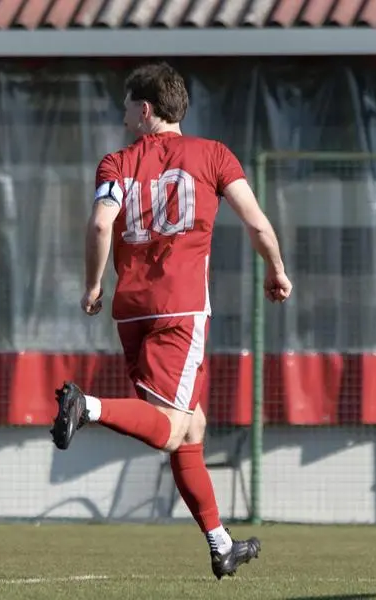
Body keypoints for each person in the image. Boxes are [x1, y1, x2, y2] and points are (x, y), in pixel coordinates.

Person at [50, 61, 291, 580]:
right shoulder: (214, 155)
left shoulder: (115, 162)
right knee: (169, 428)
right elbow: (257, 223)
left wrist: (93, 285)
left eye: (125, 104)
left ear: (144, 109)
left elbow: (99, 225)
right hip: (181, 308)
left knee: (191, 428)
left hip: (132, 310)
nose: (121, 113)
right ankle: (85, 405)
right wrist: (276, 269)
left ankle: (220, 541)